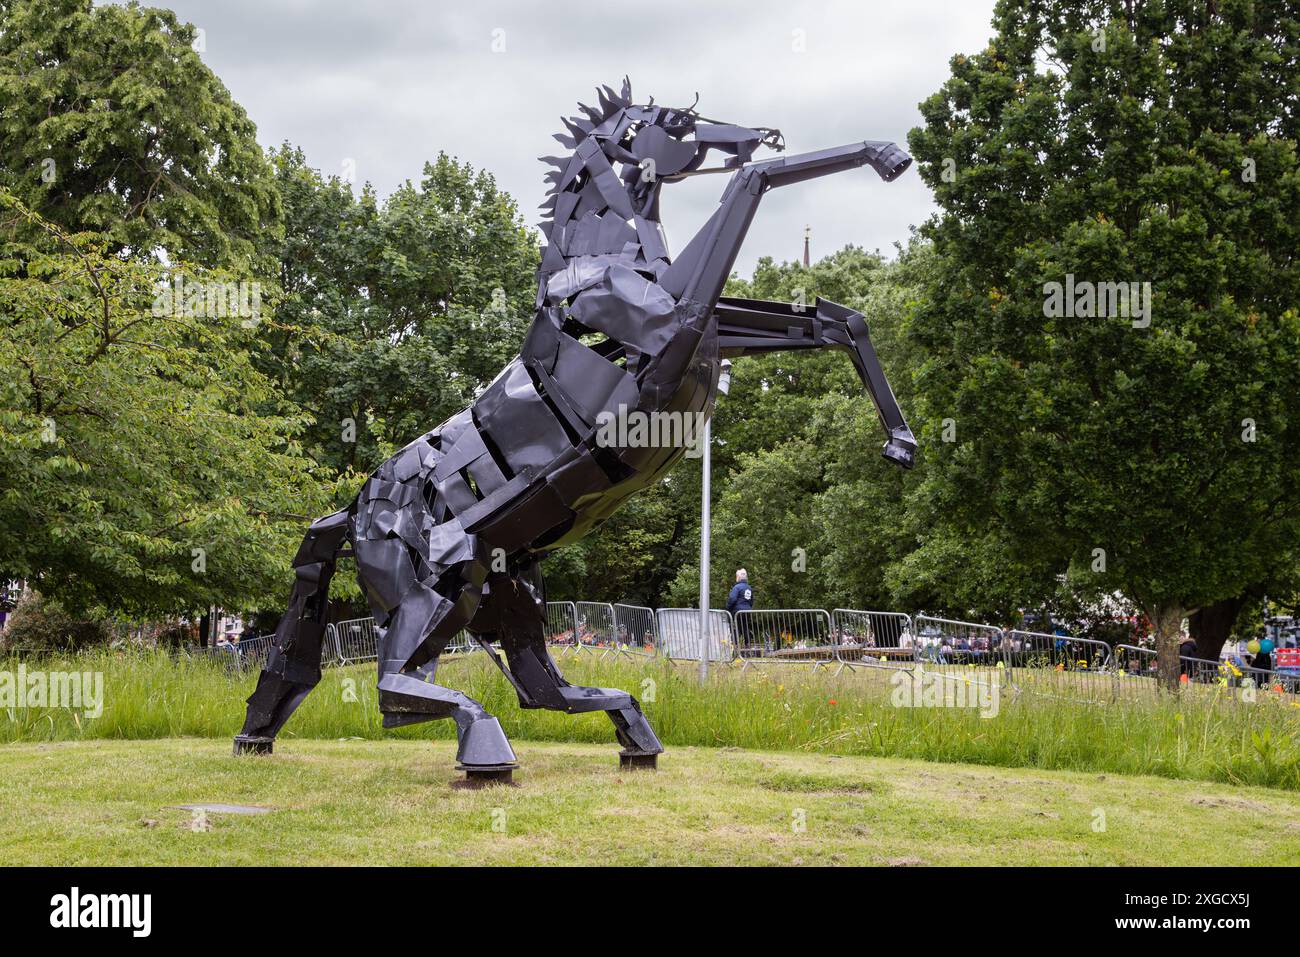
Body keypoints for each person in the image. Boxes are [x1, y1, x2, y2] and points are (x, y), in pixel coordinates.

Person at [727, 569, 755, 653]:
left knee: (735, 628)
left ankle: (734, 647)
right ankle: (748, 645)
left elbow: (732, 599)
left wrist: (728, 608)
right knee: (745, 627)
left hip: (737, 611)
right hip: (747, 611)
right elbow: (751, 600)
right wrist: (748, 607)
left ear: (738, 577)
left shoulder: (737, 587)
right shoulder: (749, 588)